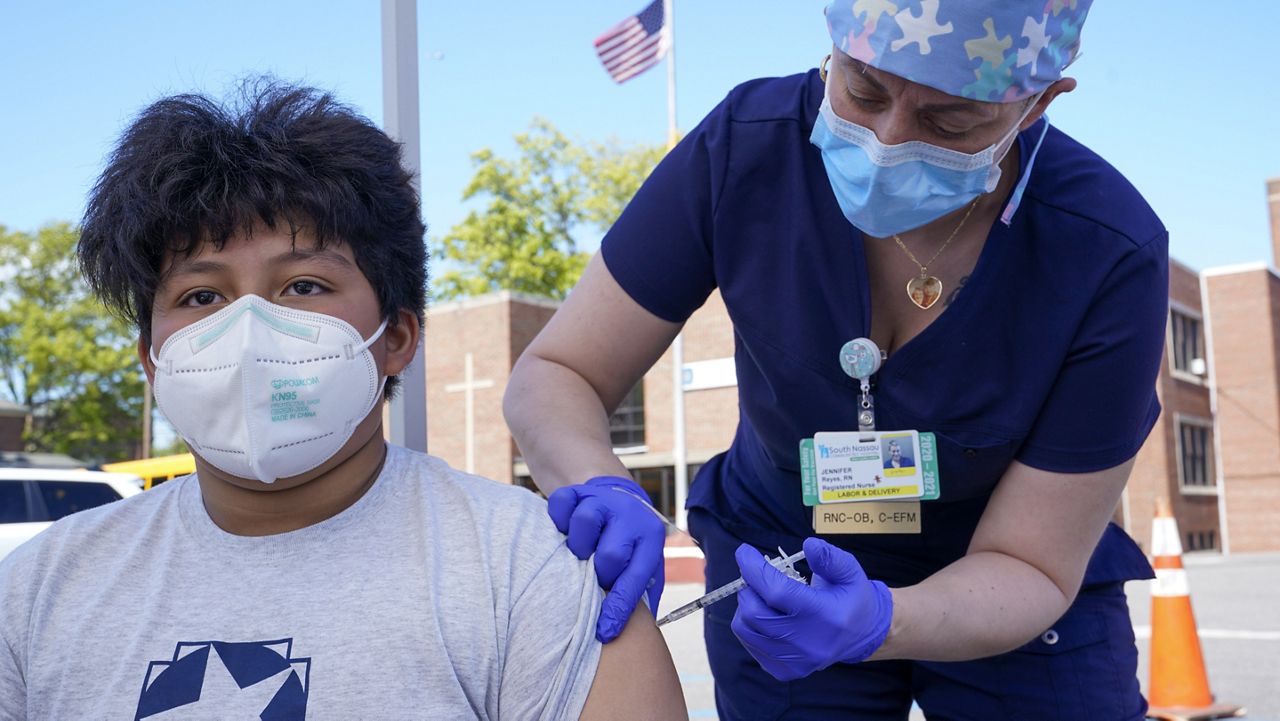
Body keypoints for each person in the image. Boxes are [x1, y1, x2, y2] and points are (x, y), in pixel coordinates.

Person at [503, 2, 1167, 719]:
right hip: (781, 566)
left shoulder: (1106, 249)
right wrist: (602, 486)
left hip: (1018, 591)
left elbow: (1031, 562)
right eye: (864, 90)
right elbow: (558, 372)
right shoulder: (745, 149)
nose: (885, 140)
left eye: (949, 121)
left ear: (1036, 104)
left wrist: (882, 620)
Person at [0, 81, 685, 720]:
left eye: (303, 286)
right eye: (200, 296)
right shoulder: (38, 590)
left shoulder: (529, 569)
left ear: (398, 336)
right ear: (152, 358)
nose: (247, 330)